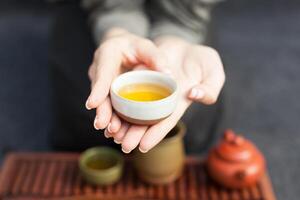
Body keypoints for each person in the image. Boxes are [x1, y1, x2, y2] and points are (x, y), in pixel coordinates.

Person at [50, 0, 225, 155]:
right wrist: (116, 29)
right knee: (87, 118)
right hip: (97, 5)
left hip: (186, 10)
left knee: (190, 126)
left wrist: (177, 33)